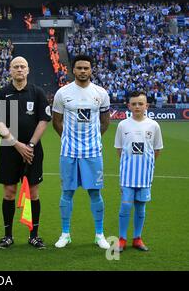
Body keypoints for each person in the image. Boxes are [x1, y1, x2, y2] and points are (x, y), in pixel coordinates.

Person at [52, 54, 111, 249]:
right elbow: (56, 122)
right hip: (69, 152)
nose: (83, 71)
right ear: (73, 70)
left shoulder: (101, 93)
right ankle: (65, 233)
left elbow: (105, 123)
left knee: (95, 192)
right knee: (67, 192)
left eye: (86, 68)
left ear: (91, 70)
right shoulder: (63, 93)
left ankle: (99, 234)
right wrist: (67, 139)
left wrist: (92, 140)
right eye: (79, 68)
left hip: (93, 153)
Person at [0, 56, 51, 249]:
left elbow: (43, 120)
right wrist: (16, 144)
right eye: (16, 67)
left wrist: (31, 145)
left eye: (22, 67)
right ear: (10, 70)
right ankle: (8, 235)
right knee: (9, 192)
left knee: (33, 192)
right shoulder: (2, 94)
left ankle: (33, 235)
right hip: (9, 150)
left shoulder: (37, 93)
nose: (19, 69)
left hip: (33, 151)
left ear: (28, 70)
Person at [114, 91, 163, 252]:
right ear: (129, 106)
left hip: (145, 176)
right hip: (128, 175)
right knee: (125, 207)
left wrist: (146, 165)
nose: (137, 106)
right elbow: (120, 149)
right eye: (134, 104)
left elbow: (156, 150)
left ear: (146, 106)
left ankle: (137, 238)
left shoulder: (153, 125)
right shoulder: (123, 125)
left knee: (141, 207)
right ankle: (122, 239)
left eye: (140, 104)